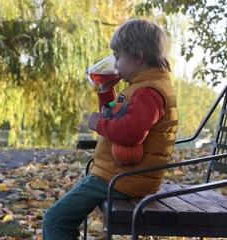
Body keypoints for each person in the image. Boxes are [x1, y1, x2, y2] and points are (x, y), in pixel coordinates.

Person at [42, 18, 178, 239]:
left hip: (123, 179)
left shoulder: (148, 92)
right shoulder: (141, 86)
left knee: (55, 219)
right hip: (119, 174)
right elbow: (120, 116)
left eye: (117, 57)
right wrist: (106, 93)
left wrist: (98, 124)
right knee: (60, 216)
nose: (114, 65)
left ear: (138, 57)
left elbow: (130, 133)